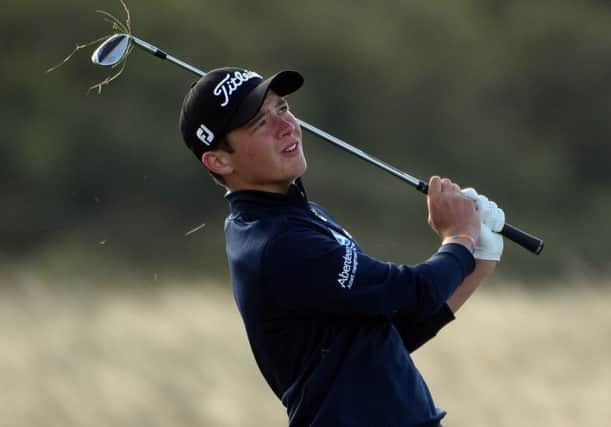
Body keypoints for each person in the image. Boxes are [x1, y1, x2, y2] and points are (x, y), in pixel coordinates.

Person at [178, 67, 505, 427]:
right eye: (259, 123)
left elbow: (386, 335)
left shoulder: (301, 216)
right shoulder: (278, 244)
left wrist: (478, 260)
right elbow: (411, 292)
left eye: (282, 108)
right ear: (219, 160)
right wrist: (459, 239)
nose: (286, 126)